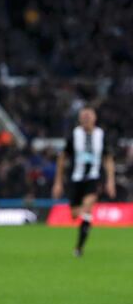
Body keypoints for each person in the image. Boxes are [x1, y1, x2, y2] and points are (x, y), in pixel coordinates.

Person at [52, 107, 116, 257]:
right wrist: (58, 182)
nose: (86, 118)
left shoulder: (101, 135)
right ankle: (84, 227)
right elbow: (62, 158)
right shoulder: (74, 135)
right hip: (75, 178)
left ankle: (79, 248)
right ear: (80, 119)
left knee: (88, 206)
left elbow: (108, 159)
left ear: (95, 118)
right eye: (84, 116)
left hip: (93, 178)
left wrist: (110, 181)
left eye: (89, 115)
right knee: (75, 214)